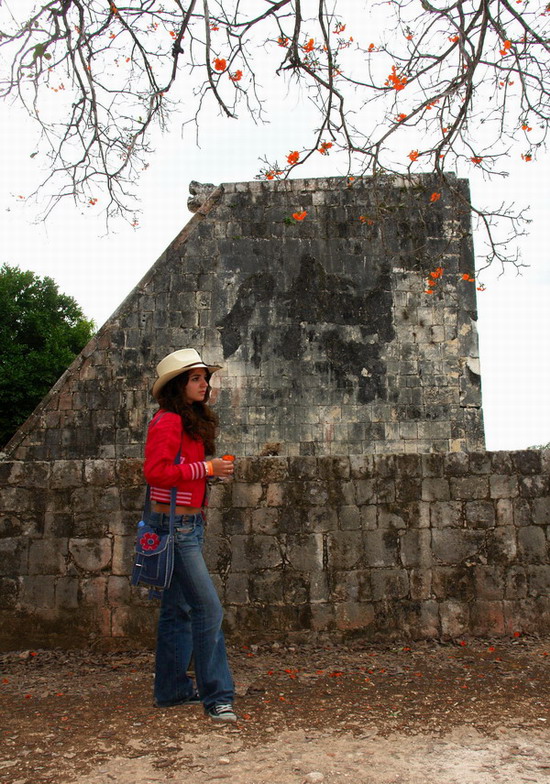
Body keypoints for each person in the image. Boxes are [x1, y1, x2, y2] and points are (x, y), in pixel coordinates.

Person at [143, 348, 237, 722]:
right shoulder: (167, 421)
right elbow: (156, 473)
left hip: (188, 525)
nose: (205, 384)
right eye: (196, 378)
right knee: (207, 609)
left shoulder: (189, 422)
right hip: (175, 529)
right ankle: (218, 697)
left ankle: (172, 690)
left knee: (177, 611)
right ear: (178, 385)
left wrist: (210, 472)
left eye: (205, 378)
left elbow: (183, 471)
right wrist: (205, 468)